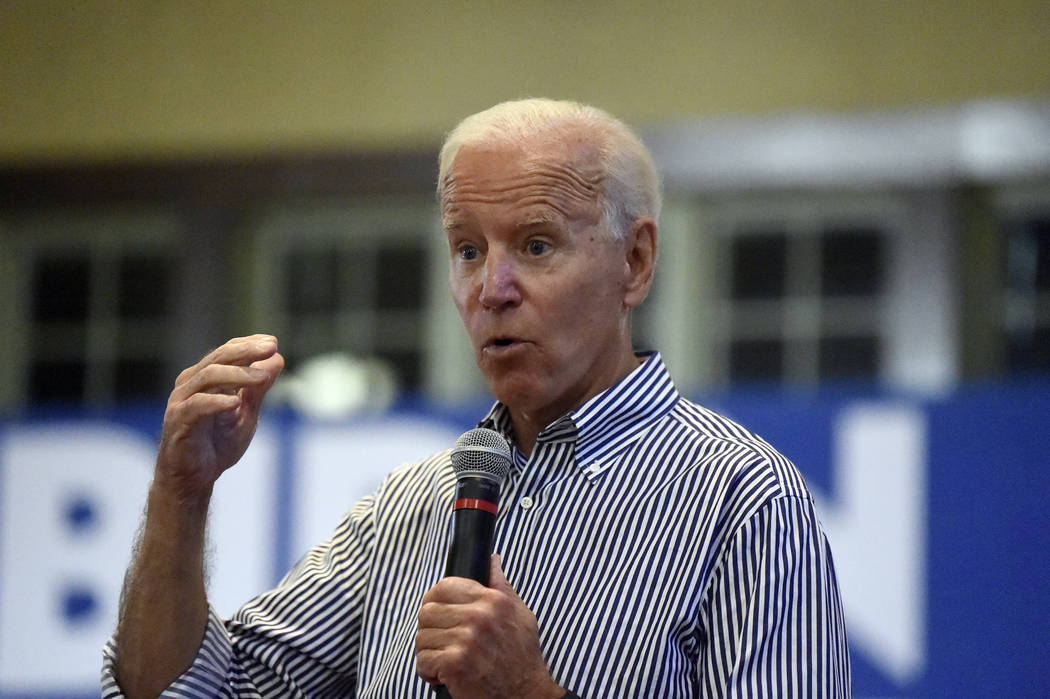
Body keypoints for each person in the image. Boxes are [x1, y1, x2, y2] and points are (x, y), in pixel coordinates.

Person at [103, 98, 851, 697]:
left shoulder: (742, 498)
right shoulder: (405, 509)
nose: (492, 289)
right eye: (468, 249)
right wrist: (179, 493)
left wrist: (525, 692)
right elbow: (199, 690)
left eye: (536, 245)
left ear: (635, 261)